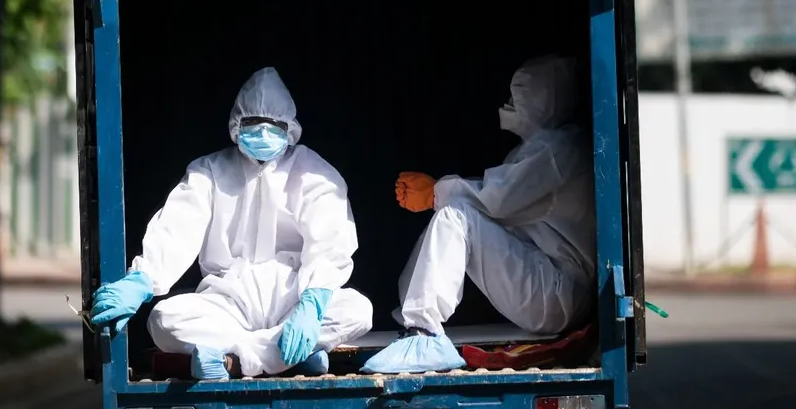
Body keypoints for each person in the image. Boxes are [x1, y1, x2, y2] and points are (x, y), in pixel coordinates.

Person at [90, 66, 373, 380]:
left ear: (290, 127)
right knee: (163, 319)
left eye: (274, 125)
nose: (264, 133)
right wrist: (143, 279)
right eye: (254, 123)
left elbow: (330, 240)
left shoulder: (313, 172)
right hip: (227, 298)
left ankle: (238, 360)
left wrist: (313, 302)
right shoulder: (209, 171)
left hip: (294, 297)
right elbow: (178, 227)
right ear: (237, 125)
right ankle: (287, 356)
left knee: (357, 309)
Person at [361, 55, 595, 374]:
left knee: (457, 215)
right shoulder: (547, 146)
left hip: (557, 289)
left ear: (546, 98)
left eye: (523, 93)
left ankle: (424, 332)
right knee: (457, 213)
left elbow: (500, 198)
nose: (513, 101)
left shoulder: (560, 149)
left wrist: (435, 192)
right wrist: (438, 195)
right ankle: (411, 322)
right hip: (551, 281)